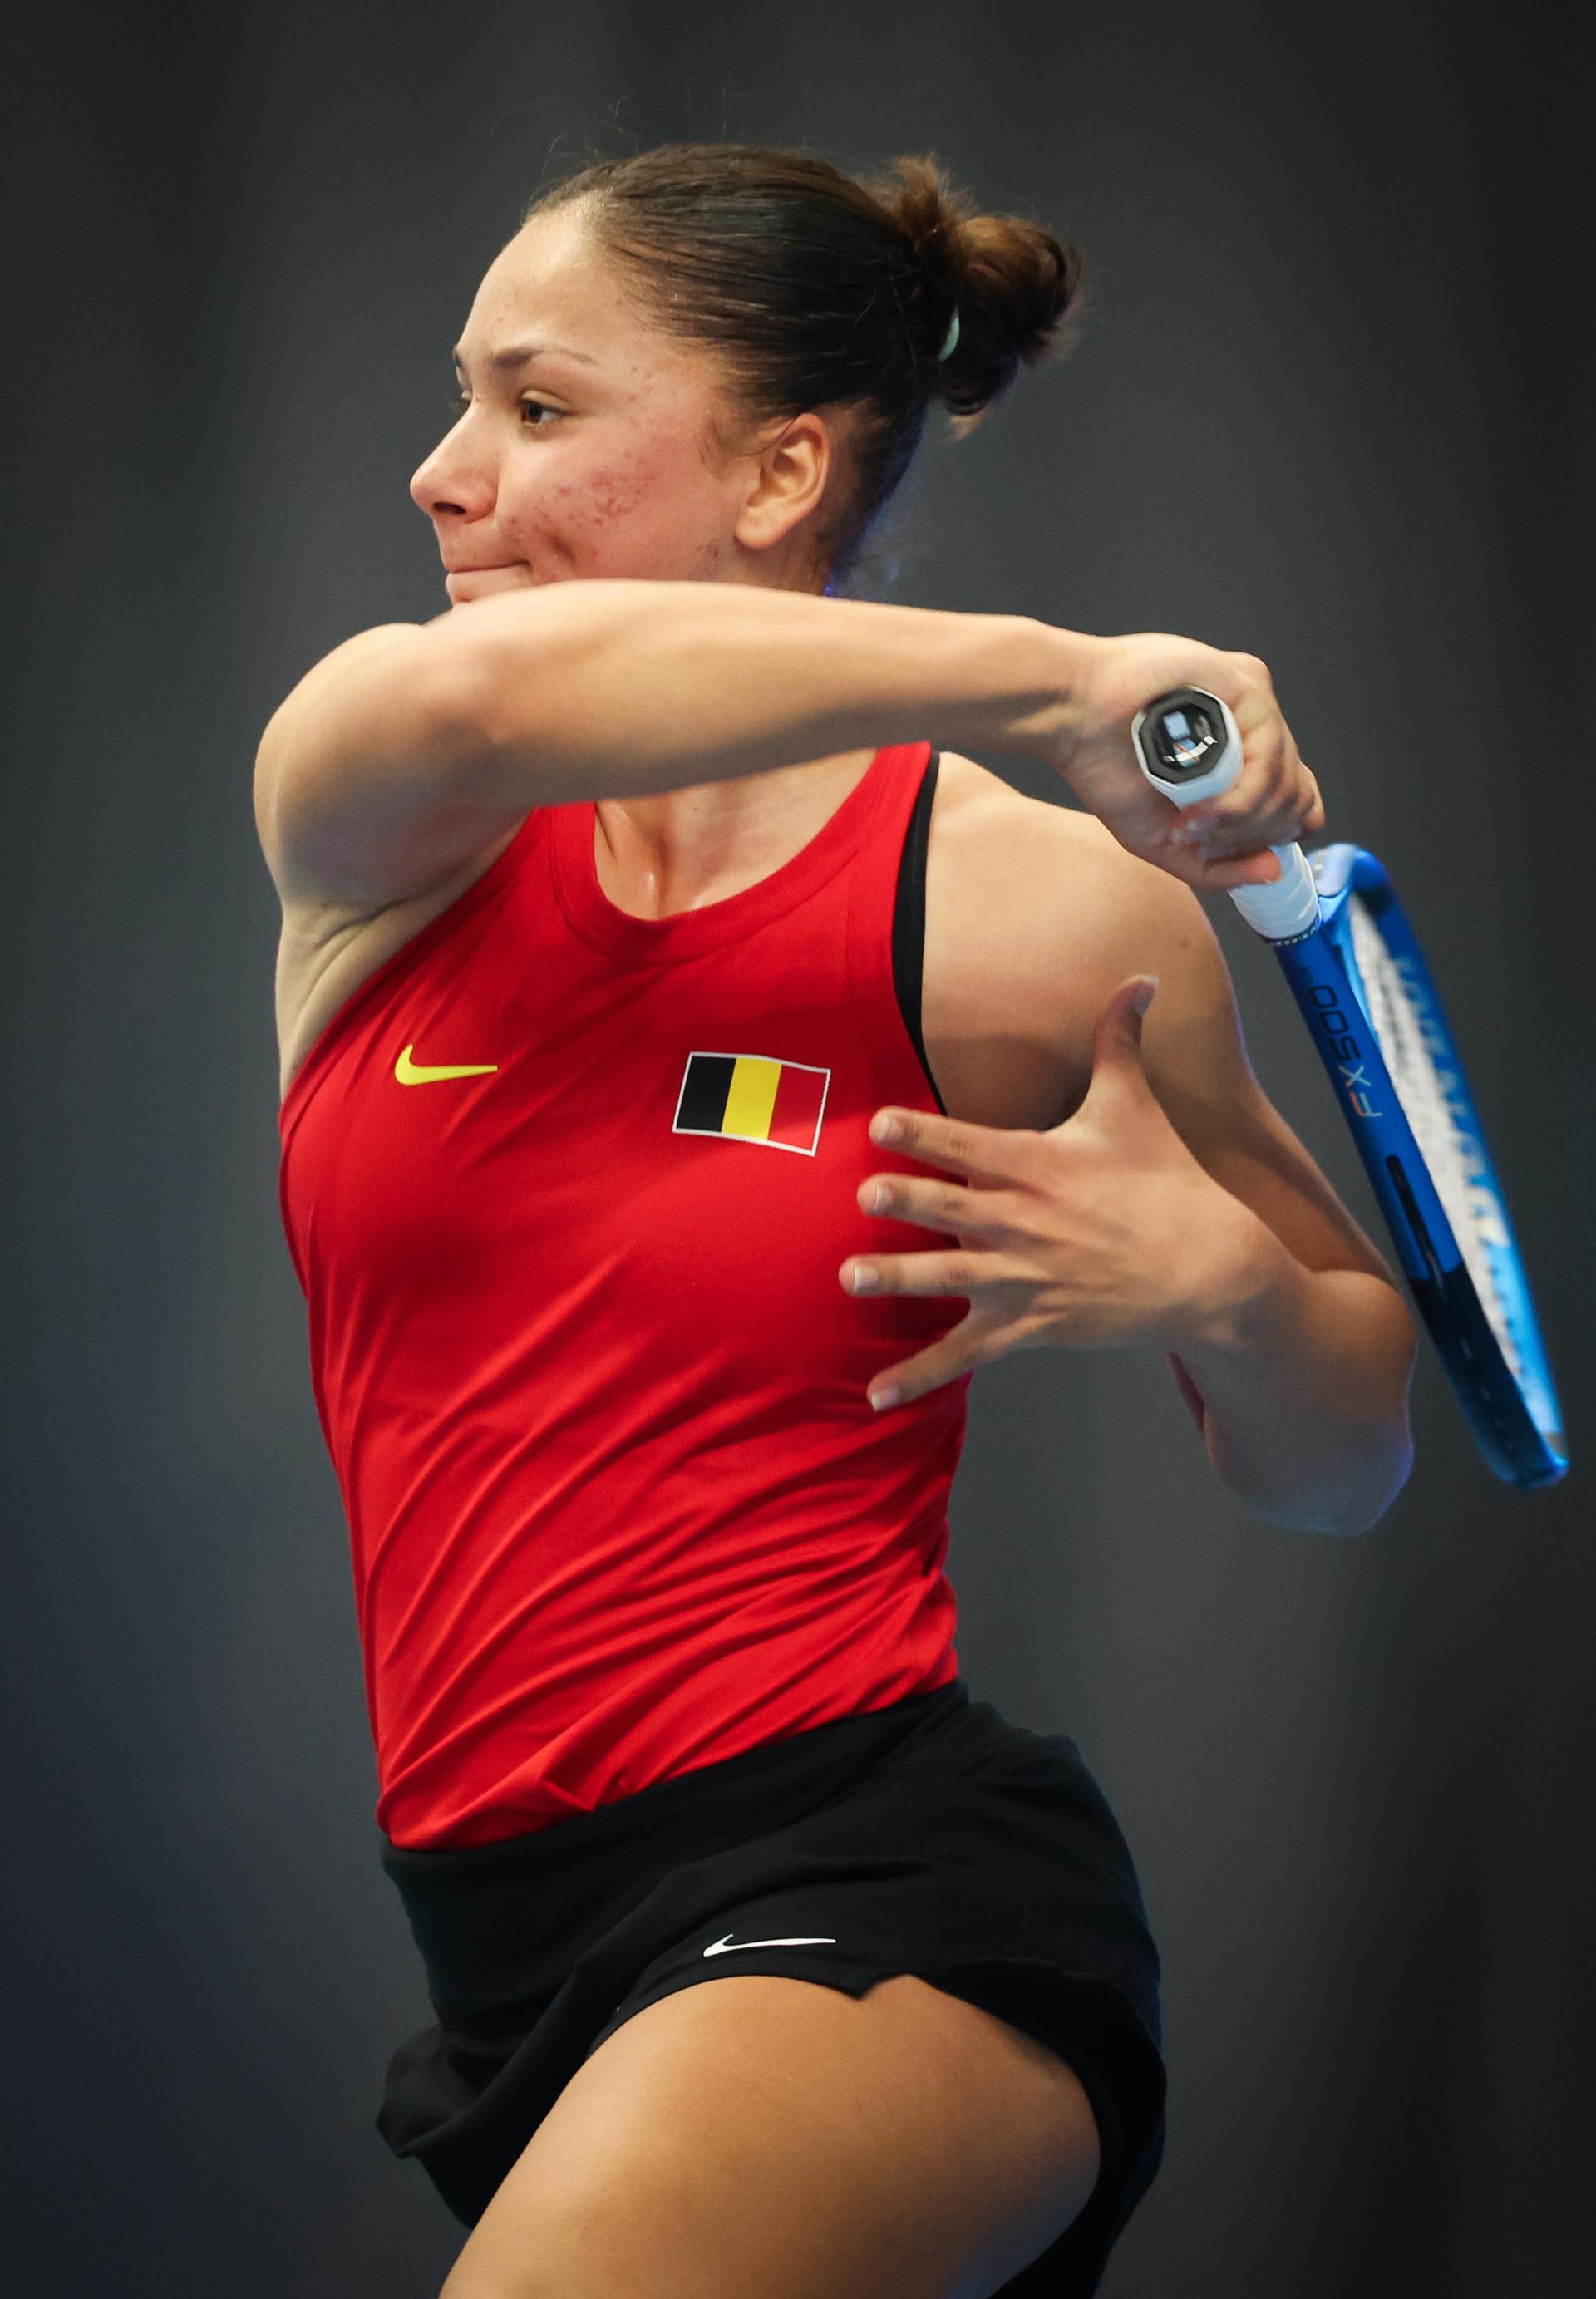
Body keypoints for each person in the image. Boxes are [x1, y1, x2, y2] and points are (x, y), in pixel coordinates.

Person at [255, 142, 1416, 2299]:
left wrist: (1228, 1288)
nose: (442, 472)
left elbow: (1353, 1451)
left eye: (535, 406)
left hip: (882, 1897)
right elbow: (491, 700)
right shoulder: (385, 798)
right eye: (458, 399)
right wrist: (1060, 677)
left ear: (783, 469)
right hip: (505, 1950)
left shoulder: (1025, 909)